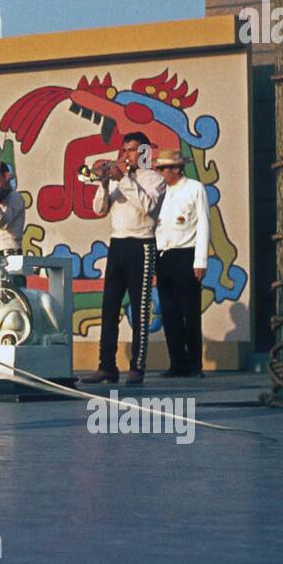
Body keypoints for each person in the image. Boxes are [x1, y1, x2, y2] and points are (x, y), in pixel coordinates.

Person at [83, 131, 166, 386]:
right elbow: (99, 209)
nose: (126, 155)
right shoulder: (119, 180)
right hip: (117, 243)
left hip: (141, 243)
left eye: (132, 150)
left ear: (144, 153)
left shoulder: (154, 179)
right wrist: (105, 182)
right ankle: (106, 366)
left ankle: (137, 367)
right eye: (125, 150)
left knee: (140, 309)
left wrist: (124, 180)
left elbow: (148, 206)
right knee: (109, 306)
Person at [153, 149, 210, 377]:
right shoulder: (160, 192)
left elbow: (204, 223)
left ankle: (194, 363)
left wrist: (201, 260)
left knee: (190, 311)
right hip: (164, 255)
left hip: (187, 253)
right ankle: (176, 362)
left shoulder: (194, 188)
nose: (160, 173)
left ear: (176, 169)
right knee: (169, 311)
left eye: (163, 168)